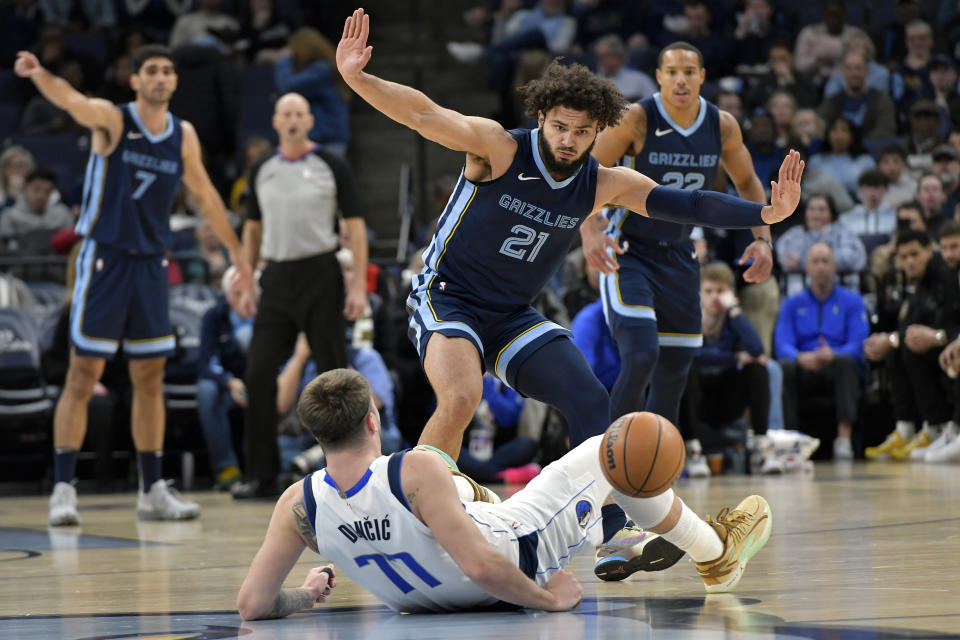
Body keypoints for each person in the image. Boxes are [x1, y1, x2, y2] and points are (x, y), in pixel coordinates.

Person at [335, 8, 800, 580]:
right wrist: (359, 79)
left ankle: (612, 535)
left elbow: (692, 203)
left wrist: (763, 213)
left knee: (593, 405)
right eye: (560, 127)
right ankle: (413, 519)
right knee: (459, 397)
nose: (570, 140)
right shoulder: (498, 148)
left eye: (583, 132)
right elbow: (425, 114)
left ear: (598, 132)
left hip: (511, 314)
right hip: (447, 296)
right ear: (542, 117)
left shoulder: (602, 183)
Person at [235, 368, 773, 618]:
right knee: (622, 448)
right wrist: (548, 600)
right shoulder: (413, 470)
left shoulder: (297, 505)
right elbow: (482, 566)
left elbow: (252, 604)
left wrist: (307, 594)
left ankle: (615, 536)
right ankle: (716, 554)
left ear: (317, 433)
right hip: (519, 555)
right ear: (373, 420)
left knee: (467, 496)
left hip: (424, 603)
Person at [13, 44, 253, 526]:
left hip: (150, 264)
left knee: (150, 378)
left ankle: (152, 490)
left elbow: (205, 194)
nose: (161, 77)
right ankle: (63, 488)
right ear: (136, 80)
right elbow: (71, 102)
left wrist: (238, 253)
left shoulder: (182, 135)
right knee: (84, 375)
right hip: (104, 258)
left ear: (175, 82)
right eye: (151, 71)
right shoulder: (114, 120)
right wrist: (40, 75)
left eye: (168, 70)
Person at [590, 41, 774, 492]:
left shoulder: (722, 125)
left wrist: (763, 239)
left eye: (689, 71)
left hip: (678, 256)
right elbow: (586, 170)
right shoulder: (637, 118)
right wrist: (589, 230)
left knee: (675, 366)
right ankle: (603, 468)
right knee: (641, 355)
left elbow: (747, 182)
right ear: (658, 76)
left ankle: (654, 477)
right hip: (627, 249)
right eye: (672, 71)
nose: (681, 80)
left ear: (703, 76)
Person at [232, 92, 368, 499]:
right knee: (258, 372)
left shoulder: (331, 164)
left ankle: (347, 470)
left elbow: (356, 226)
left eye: (299, 114)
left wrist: (358, 283)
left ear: (310, 121)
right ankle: (261, 474)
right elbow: (252, 229)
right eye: (285, 114)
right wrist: (245, 277)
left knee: (333, 375)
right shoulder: (263, 169)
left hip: (321, 271)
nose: (292, 120)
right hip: (275, 276)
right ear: (275, 122)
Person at [864, 230, 960, 461]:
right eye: (904, 257)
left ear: (929, 250)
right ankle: (914, 428)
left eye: (914, 254)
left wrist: (940, 337)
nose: (909, 262)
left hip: (949, 343)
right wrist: (890, 339)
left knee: (911, 348)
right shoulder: (920, 281)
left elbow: (946, 323)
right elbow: (910, 324)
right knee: (899, 348)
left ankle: (948, 427)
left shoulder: (944, 275)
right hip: (949, 342)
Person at [774, 243, 869, 460]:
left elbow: (859, 342)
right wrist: (800, 357)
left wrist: (834, 354)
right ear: (807, 267)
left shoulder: (852, 301)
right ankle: (792, 441)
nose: (820, 267)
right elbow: (782, 343)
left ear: (834, 266)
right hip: (805, 365)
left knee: (847, 362)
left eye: (825, 261)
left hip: (836, 364)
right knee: (785, 367)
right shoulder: (792, 303)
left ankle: (843, 439)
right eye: (815, 261)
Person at [196, 266, 254, 491]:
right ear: (228, 296)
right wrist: (229, 381)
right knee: (206, 390)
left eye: (247, 293)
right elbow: (205, 362)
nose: (243, 300)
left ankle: (268, 466)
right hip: (229, 386)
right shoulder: (214, 316)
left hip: (262, 384)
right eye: (237, 294)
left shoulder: (268, 316)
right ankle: (226, 468)